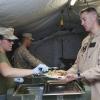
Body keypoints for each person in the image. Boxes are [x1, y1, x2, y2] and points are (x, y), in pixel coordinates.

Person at [64, 7, 100, 100]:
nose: (81, 23)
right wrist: (67, 73)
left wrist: (79, 75)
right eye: (81, 20)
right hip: (83, 88)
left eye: (84, 19)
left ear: (94, 17)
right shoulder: (85, 40)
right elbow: (77, 63)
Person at [0, 27, 49, 95]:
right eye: (9, 40)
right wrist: (34, 71)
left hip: (7, 90)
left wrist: (13, 79)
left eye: (12, 40)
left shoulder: (3, 53)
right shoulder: (2, 54)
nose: (12, 43)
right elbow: (6, 72)